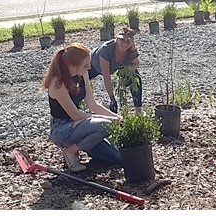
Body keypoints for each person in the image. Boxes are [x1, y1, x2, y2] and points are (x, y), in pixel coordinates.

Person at [42, 43, 123, 171]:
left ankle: (86, 146)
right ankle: (71, 151)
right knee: (106, 125)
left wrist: (116, 117)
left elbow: (92, 104)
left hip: (80, 126)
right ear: (73, 66)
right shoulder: (57, 84)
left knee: (118, 157)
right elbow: (76, 115)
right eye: (86, 65)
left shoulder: (82, 75)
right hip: (62, 129)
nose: (89, 67)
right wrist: (109, 120)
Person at [89, 29, 143, 112]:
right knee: (79, 81)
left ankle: (138, 109)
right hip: (94, 65)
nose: (124, 44)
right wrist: (112, 99)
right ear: (116, 39)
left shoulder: (131, 50)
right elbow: (106, 77)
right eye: (122, 40)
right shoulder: (106, 49)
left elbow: (136, 64)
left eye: (128, 41)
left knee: (136, 77)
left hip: (116, 68)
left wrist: (126, 70)